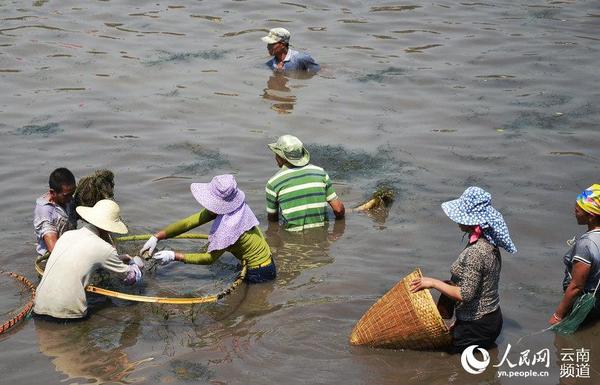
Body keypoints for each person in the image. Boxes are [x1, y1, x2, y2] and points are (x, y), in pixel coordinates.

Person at [410, 186, 517, 353]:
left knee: (444, 364)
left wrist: (433, 283)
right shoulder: (489, 244)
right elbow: (480, 288)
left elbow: (464, 295)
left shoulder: (476, 252)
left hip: (477, 326)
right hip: (491, 318)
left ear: (471, 221)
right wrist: (460, 321)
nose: (457, 221)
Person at [141, 174, 276, 284]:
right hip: (265, 260)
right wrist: (157, 236)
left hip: (259, 271)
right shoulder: (237, 207)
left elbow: (209, 259)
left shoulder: (228, 228)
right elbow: (188, 223)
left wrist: (174, 256)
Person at [33, 199, 143, 320]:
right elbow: (130, 278)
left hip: (38, 307)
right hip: (69, 314)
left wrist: (119, 259)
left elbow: (84, 258)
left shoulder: (67, 235)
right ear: (108, 229)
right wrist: (136, 264)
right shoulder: (105, 248)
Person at [266, 135, 345, 232]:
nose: (275, 157)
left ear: (281, 157)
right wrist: (337, 233)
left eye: (276, 154)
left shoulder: (273, 183)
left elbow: (273, 221)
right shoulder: (321, 173)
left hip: (291, 240)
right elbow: (338, 210)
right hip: (321, 241)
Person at [549, 184, 600, 326]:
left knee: (564, 342)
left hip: (586, 302)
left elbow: (576, 286)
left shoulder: (586, 245)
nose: (575, 211)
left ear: (591, 216)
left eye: (578, 210)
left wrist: (558, 315)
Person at [34, 167, 77, 256]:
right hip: (50, 257)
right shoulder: (45, 211)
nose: (70, 198)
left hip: (69, 246)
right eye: (66, 196)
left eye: (72, 194)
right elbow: (53, 248)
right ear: (53, 192)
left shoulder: (68, 200)